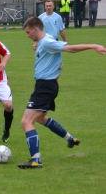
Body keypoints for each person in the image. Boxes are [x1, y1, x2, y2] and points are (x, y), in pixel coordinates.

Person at [17, 17, 106, 169]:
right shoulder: (47, 39)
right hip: (48, 86)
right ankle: (70, 138)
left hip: (44, 87)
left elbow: (69, 49)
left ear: (36, 29)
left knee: (26, 122)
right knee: (41, 119)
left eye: (28, 32)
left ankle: (36, 160)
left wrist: (93, 45)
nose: (27, 35)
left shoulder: (46, 42)